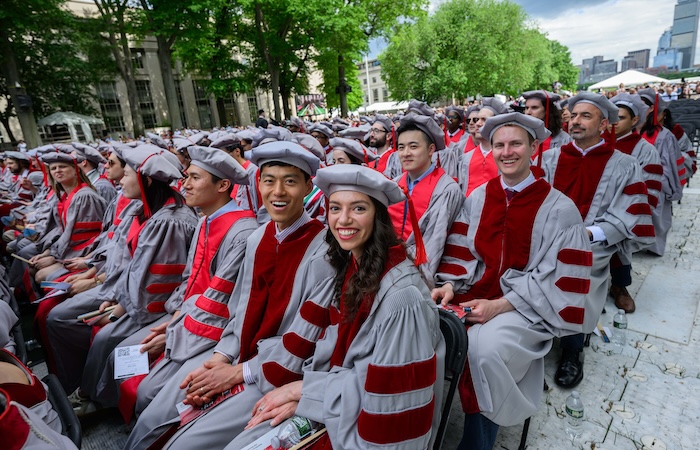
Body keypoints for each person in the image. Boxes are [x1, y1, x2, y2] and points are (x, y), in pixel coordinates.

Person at [124, 141, 334, 450]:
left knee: (182, 443)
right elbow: (238, 313)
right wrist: (219, 360)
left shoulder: (324, 252)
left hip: (278, 373)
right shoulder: (258, 238)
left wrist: (237, 372)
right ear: (258, 184)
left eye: (290, 181)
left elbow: (306, 342)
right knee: (152, 417)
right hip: (236, 355)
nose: (278, 191)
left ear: (307, 187)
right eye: (268, 180)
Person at [228, 164, 445, 449]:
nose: (343, 220)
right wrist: (307, 397)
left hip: (365, 433)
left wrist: (306, 391)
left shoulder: (402, 301)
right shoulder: (352, 269)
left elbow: (388, 403)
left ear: (378, 217)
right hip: (339, 406)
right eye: (335, 208)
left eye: (358, 209)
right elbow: (335, 360)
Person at [432, 112, 591, 450]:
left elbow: (560, 279)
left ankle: (476, 444)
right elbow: (462, 253)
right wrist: (449, 285)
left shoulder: (559, 209)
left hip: (529, 307)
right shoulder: (477, 198)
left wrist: (502, 305)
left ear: (534, 147)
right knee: (417, 336)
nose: (507, 152)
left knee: (482, 350)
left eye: (516, 143)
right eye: (499, 145)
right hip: (474, 295)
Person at [47, 148, 197, 410]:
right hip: (129, 295)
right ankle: (81, 385)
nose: (119, 180)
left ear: (146, 180)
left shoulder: (172, 221)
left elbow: (155, 283)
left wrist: (119, 310)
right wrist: (114, 296)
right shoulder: (142, 209)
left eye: (126, 174)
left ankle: (95, 398)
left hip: (154, 306)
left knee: (106, 339)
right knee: (61, 318)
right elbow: (129, 264)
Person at [125, 145, 259, 417]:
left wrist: (175, 330)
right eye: (186, 176)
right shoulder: (204, 221)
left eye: (195, 178)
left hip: (214, 332)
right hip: (189, 320)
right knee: (125, 357)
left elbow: (220, 302)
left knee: (149, 393)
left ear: (223, 185)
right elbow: (190, 280)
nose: (184, 184)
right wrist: (175, 319)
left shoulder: (244, 232)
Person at [537, 92, 655, 388]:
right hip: (546, 239)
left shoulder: (624, 165)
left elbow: (628, 213)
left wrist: (587, 234)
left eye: (585, 116)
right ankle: (532, 339)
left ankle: (573, 348)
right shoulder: (550, 158)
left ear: (604, 124)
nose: (575, 121)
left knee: (577, 270)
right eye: (573, 115)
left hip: (594, 244)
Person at [389, 112, 463, 283]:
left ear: (431, 150)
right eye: (401, 147)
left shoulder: (446, 189)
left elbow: (435, 243)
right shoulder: (393, 185)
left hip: (420, 273)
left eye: (413, 147)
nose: (406, 153)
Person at [607, 93, 664, 312]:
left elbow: (649, 187)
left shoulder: (645, 150)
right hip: (592, 208)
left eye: (621, 118)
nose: (615, 122)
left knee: (620, 247)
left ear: (634, 120)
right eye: (612, 117)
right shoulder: (597, 143)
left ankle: (620, 286)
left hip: (625, 209)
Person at [29, 153, 106, 284]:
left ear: (76, 171)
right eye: (53, 168)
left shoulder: (85, 197)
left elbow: (85, 236)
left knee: (40, 275)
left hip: (85, 253)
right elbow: (62, 231)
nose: (57, 170)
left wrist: (55, 257)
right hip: (69, 250)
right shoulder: (64, 196)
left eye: (63, 167)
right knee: (32, 265)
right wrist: (48, 252)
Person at [637, 88, 683, 256]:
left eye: (644, 106)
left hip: (657, 183)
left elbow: (671, 165)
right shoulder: (632, 131)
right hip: (632, 183)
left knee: (656, 213)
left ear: (652, 110)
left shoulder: (665, 136)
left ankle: (653, 246)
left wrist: (672, 188)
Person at [457, 97, 507, 197]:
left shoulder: (507, 156)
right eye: (478, 119)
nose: (478, 124)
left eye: (484, 120)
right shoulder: (466, 158)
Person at [523, 90, 572, 160]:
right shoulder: (520, 135)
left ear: (547, 110)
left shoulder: (564, 139)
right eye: (527, 108)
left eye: (534, 108)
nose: (528, 112)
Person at [368, 114, 400, 179]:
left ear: (389, 136)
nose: (371, 134)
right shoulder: (369, 156)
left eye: (376, 131)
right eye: (371, 130)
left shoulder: (396, 159)